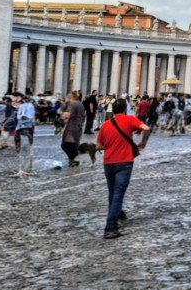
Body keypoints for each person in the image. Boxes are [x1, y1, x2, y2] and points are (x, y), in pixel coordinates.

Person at [95, 98, 151, 239]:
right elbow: (146, 128)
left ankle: (117, 213)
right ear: (125, 109)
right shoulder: (129, 119)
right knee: (118, 194)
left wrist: (109, 144)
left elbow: (99, 146)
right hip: (124, 162)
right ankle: (110, 227)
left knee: (112, 192)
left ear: (112, 110)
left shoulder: (105, 125)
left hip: (108, 163)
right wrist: (143, 142)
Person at [61, 90, 85, 166]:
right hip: (78, 126)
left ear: (71, 97)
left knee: (65, 145)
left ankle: (72, 158)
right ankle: (73, 159)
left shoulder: (72, 104)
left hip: (71, 127)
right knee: (74, 143)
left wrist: (63, 124)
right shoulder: (81, 104)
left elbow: (66, 115)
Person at [14, 95, 36, 174]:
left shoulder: (23, 106)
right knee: (27, 148)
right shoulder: (29, 106)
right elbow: (31, 117)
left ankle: (24, 167)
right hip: (26, 128)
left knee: (22, 148)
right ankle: (26, 168)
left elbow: (20, 116)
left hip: (21, 127)